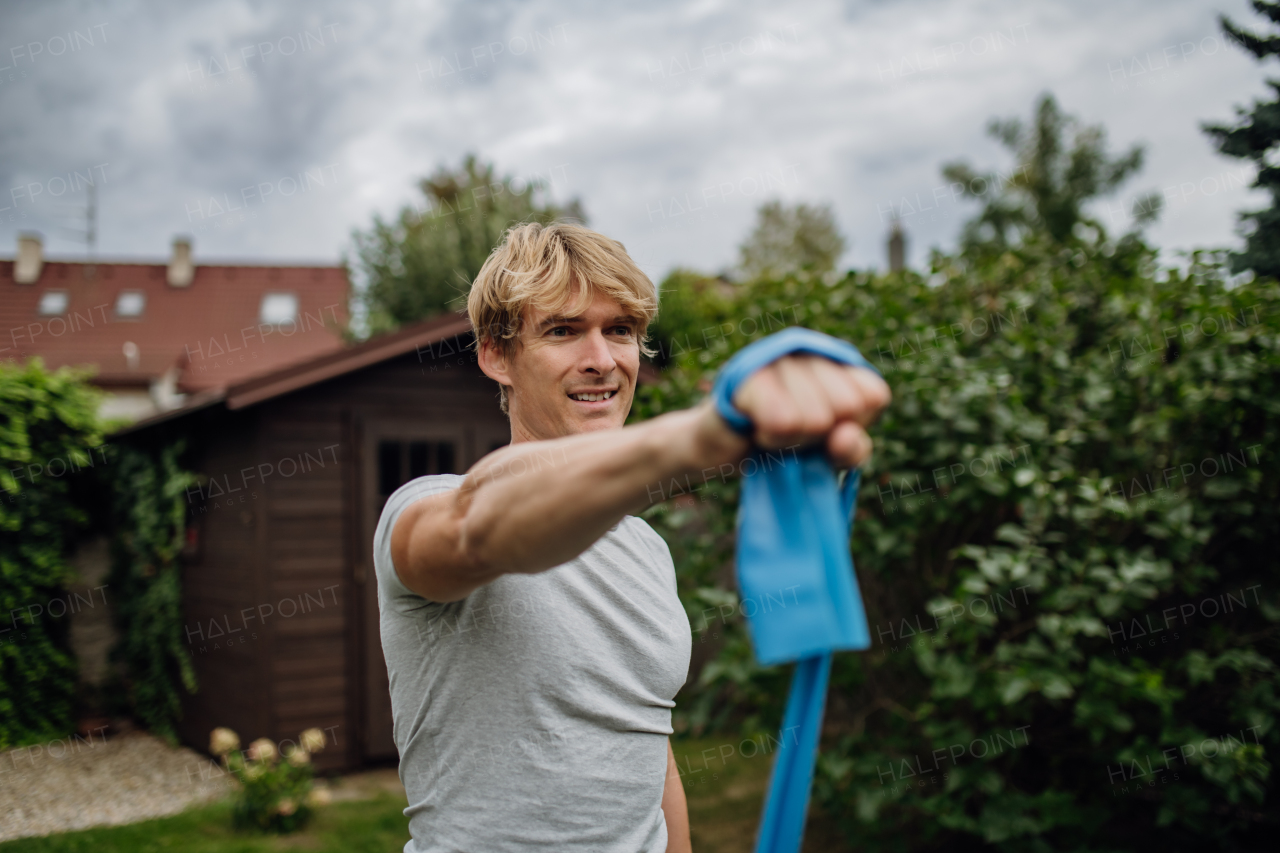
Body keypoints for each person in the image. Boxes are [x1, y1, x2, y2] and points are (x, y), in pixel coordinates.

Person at [372, 222, 891, 852]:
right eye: (562, 330)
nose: (602, 359)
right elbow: (482, 525)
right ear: (495, 356)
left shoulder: (647, 550)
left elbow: (649, 743)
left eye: (620, 330)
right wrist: (702, 439)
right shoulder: (425, 508)